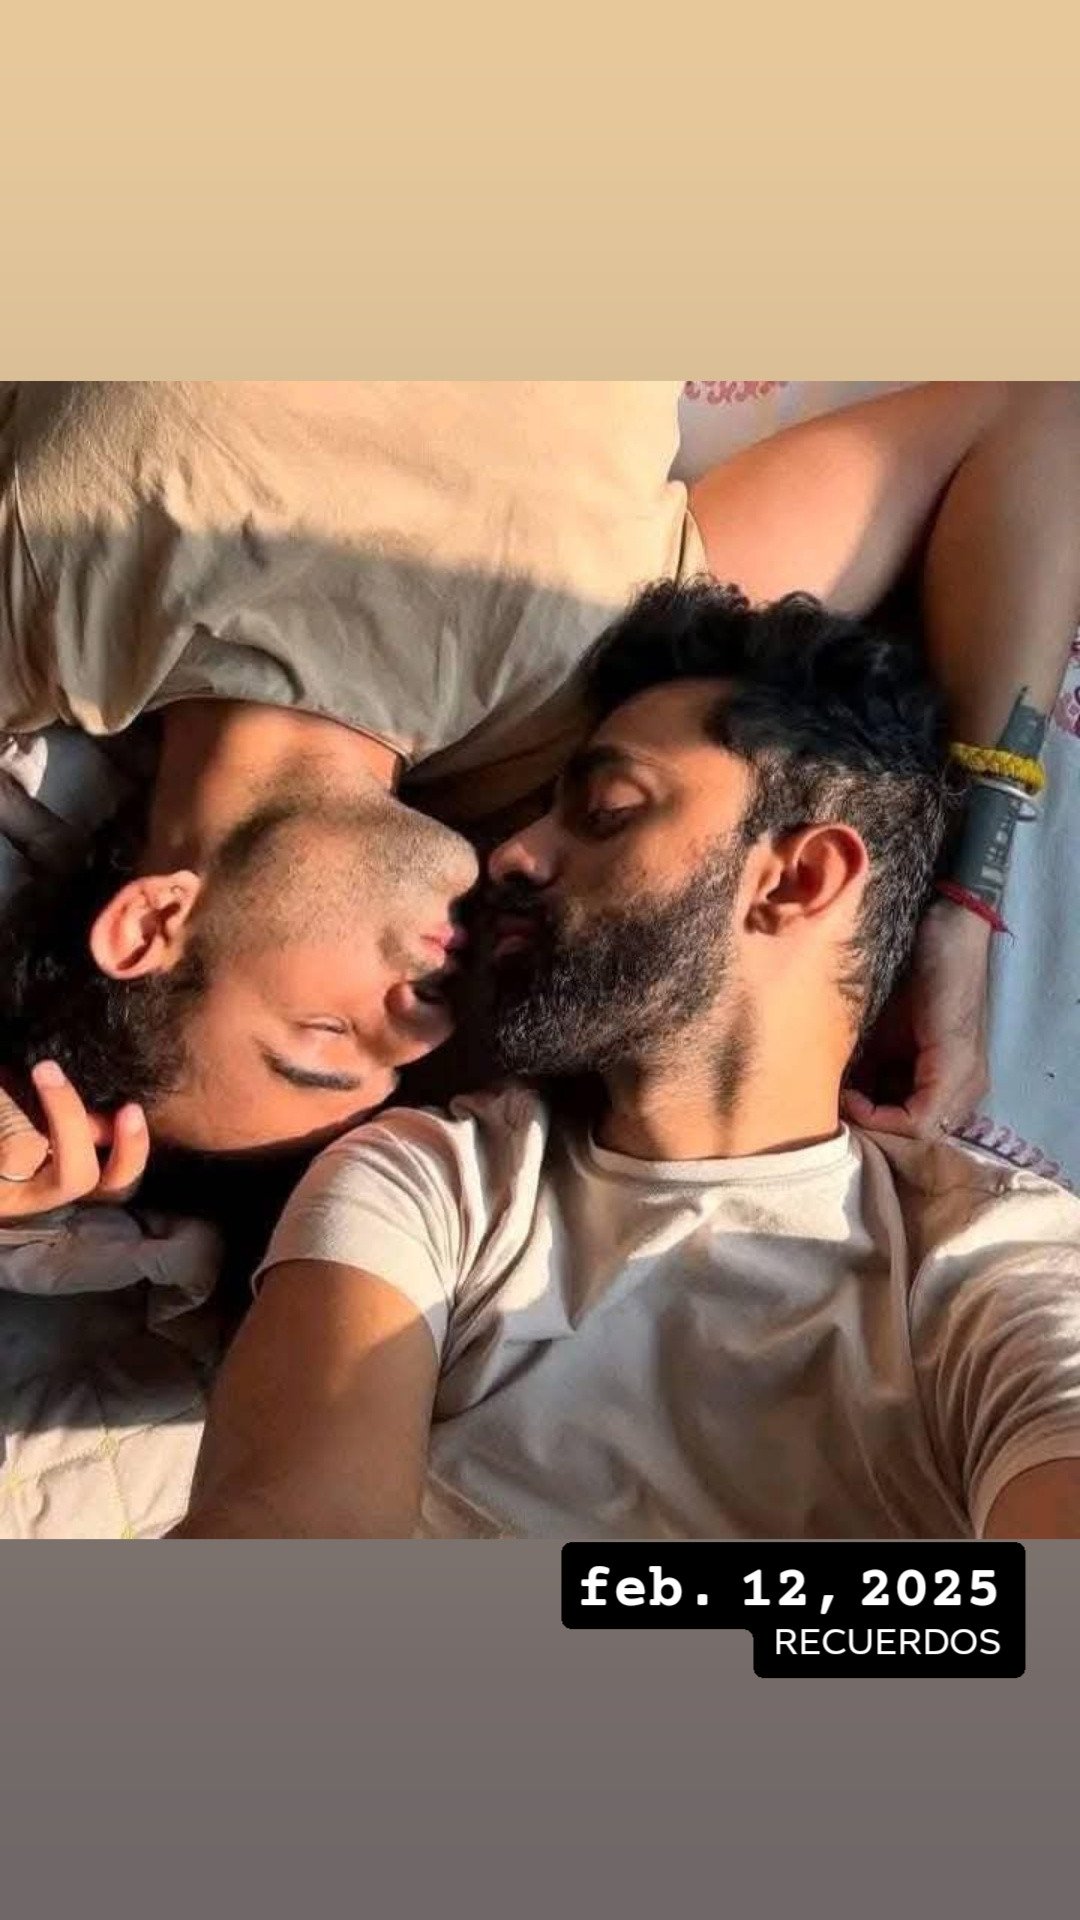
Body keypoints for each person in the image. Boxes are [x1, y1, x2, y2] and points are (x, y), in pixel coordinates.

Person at [172, 583, 1080, 1541]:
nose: (511, 855)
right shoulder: (433, 1187)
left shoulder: (986, 1258)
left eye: (606, 811)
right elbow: (293, 1531)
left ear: (798, 879)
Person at [1, 381, 1078, 1183]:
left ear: (152, 921)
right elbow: (1022, 426)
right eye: (393, 1066)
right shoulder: (592, 695)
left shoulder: (43, 601)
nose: (416, 1033)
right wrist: (965, 907)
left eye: (323, 1041)